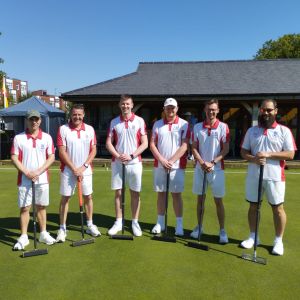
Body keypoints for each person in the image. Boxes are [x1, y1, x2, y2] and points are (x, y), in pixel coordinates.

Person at [240, 99, 296, 256]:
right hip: (254, 175)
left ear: (276, 111)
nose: (266, 113)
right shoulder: (252, 131)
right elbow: (243, 152)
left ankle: (278, 241)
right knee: (253, 206)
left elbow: (290, 153)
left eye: (269, 110)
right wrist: (254, 159)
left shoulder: (284, 131)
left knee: (277, 209)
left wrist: (268, 154)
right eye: (263, 110)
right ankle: (253, 237)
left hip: (275, 176)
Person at [11, 110, 56, 250]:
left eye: (36, 119)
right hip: (25, 179)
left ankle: (43, 233)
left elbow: (52, 157)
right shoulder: (19, 138)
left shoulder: (47, 137)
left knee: (41, 207)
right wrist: (27, 172)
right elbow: (14, 157)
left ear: (40, 121)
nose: (34, 122)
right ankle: (24, 237)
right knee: (25, 208)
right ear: (27, 120)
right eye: (31, 119)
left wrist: (38, 171)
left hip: (42, 179)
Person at [56, 104, 100, 242]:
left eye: (79, 114)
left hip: (85, 170)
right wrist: (74, 168)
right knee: (66, 198)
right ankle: (62, 228)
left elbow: (93, 150)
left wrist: (84, 166)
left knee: (88, 197)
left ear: (84, 115)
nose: (77, 117)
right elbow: (62, 152)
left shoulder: (90, 129)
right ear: (71, 114)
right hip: (68, 171)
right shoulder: (63, 129)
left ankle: (90, 224)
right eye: (74, 114)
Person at [106, 95, 148, 236]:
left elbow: (145, 143)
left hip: (135, 163)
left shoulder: (139, 121)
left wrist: (131, 155)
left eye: (128, 104)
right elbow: (109, 143)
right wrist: (118, 156)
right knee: (118, 193)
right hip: (118, 163)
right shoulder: (114, 122)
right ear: (119, 105)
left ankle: (134, 222)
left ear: (132, 105)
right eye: (123, 104)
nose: (125, 106)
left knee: (135, 193)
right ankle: (118, 221)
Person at [190, 99, 229, 244]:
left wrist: (212, 162)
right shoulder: (197, 127)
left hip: (217, 169)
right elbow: (194, 147)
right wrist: (201, 162)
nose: (211, 112)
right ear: (204, 110)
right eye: (208, 109)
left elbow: (226, 149)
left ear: (218, 110)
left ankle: (222, 230)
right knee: (200, 200)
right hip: (200, 168)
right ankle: (199, 227)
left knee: (218, 201)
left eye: (213, 109)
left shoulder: (223, 127)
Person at [150, 98, 189, 236]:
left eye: (172, 108)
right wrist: (162, 160)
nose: (170, 110)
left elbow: (184, 145)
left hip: (177, 166)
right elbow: (152, 144)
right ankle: (160, 222)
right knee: (161, 194)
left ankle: (179, 225)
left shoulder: (184, 124)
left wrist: (171, 161)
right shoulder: (157, 124)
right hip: (160, 165)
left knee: (176, 195)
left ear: (177, 109)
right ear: (164, 109)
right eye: (168, 108)